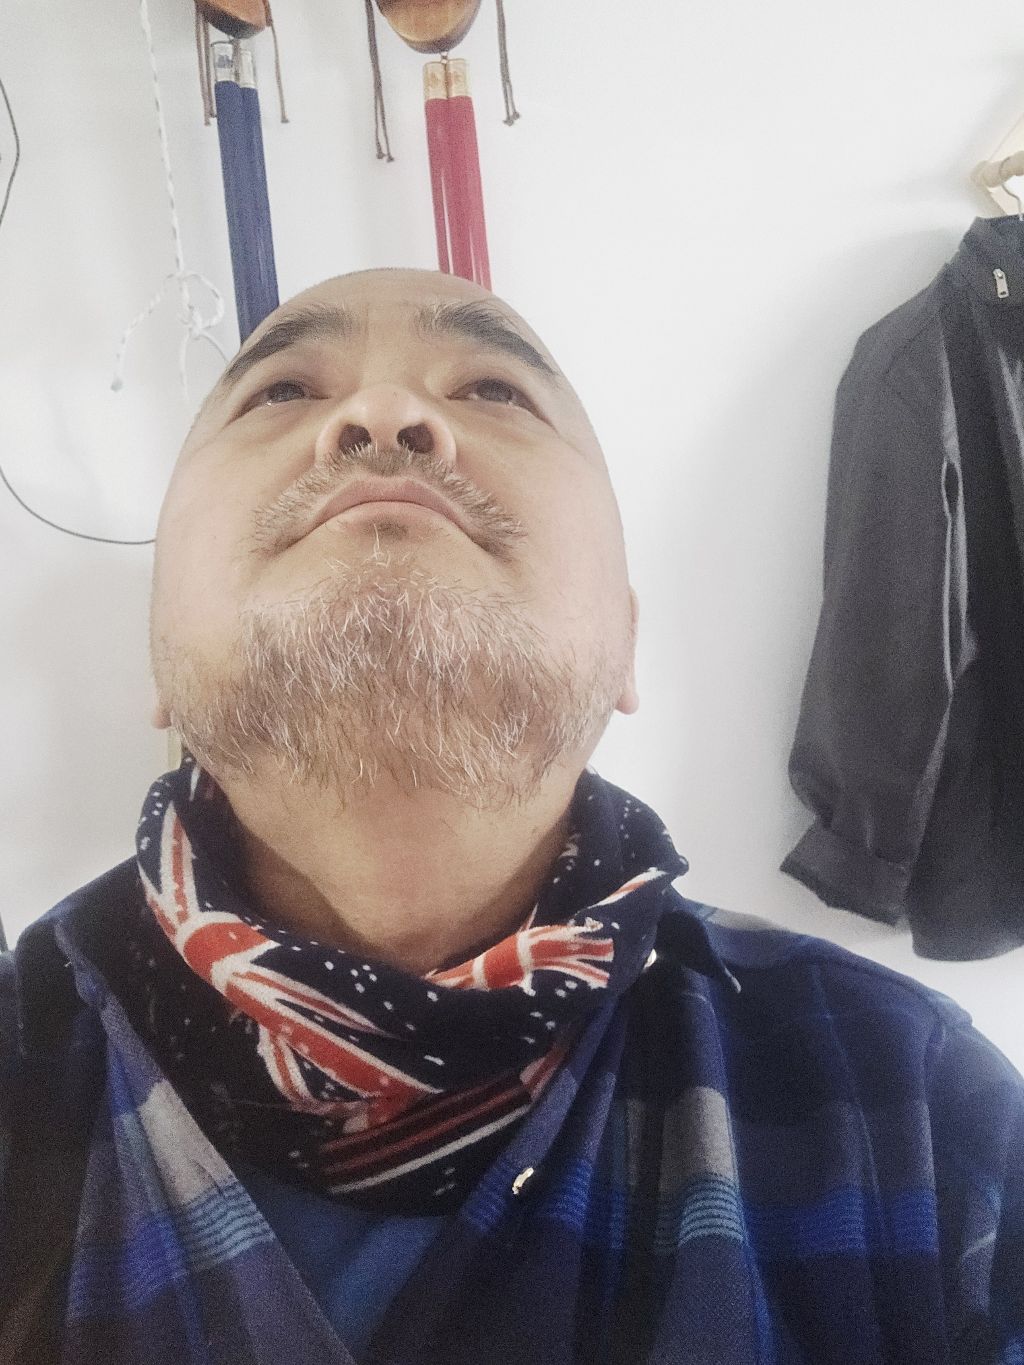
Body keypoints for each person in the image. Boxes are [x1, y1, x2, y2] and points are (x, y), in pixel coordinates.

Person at [0, 267, 1021, 1365]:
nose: (383, 412)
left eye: (492, 389)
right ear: (157, 649)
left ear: (623, 643)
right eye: (283, 390)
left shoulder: (926, 1111)